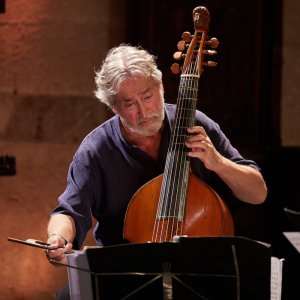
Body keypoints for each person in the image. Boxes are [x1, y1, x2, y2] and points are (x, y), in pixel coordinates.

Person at [45, 44, 268, 299]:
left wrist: (217, 161)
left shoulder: (195, 125)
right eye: (130, 103)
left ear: (160, 87)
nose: (143, 112)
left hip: (198, 273)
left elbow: (257, 193)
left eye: (148, 96)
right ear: (114, 107)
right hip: (127, 277)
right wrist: (57, 238)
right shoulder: (96, 150)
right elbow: (69, 211)